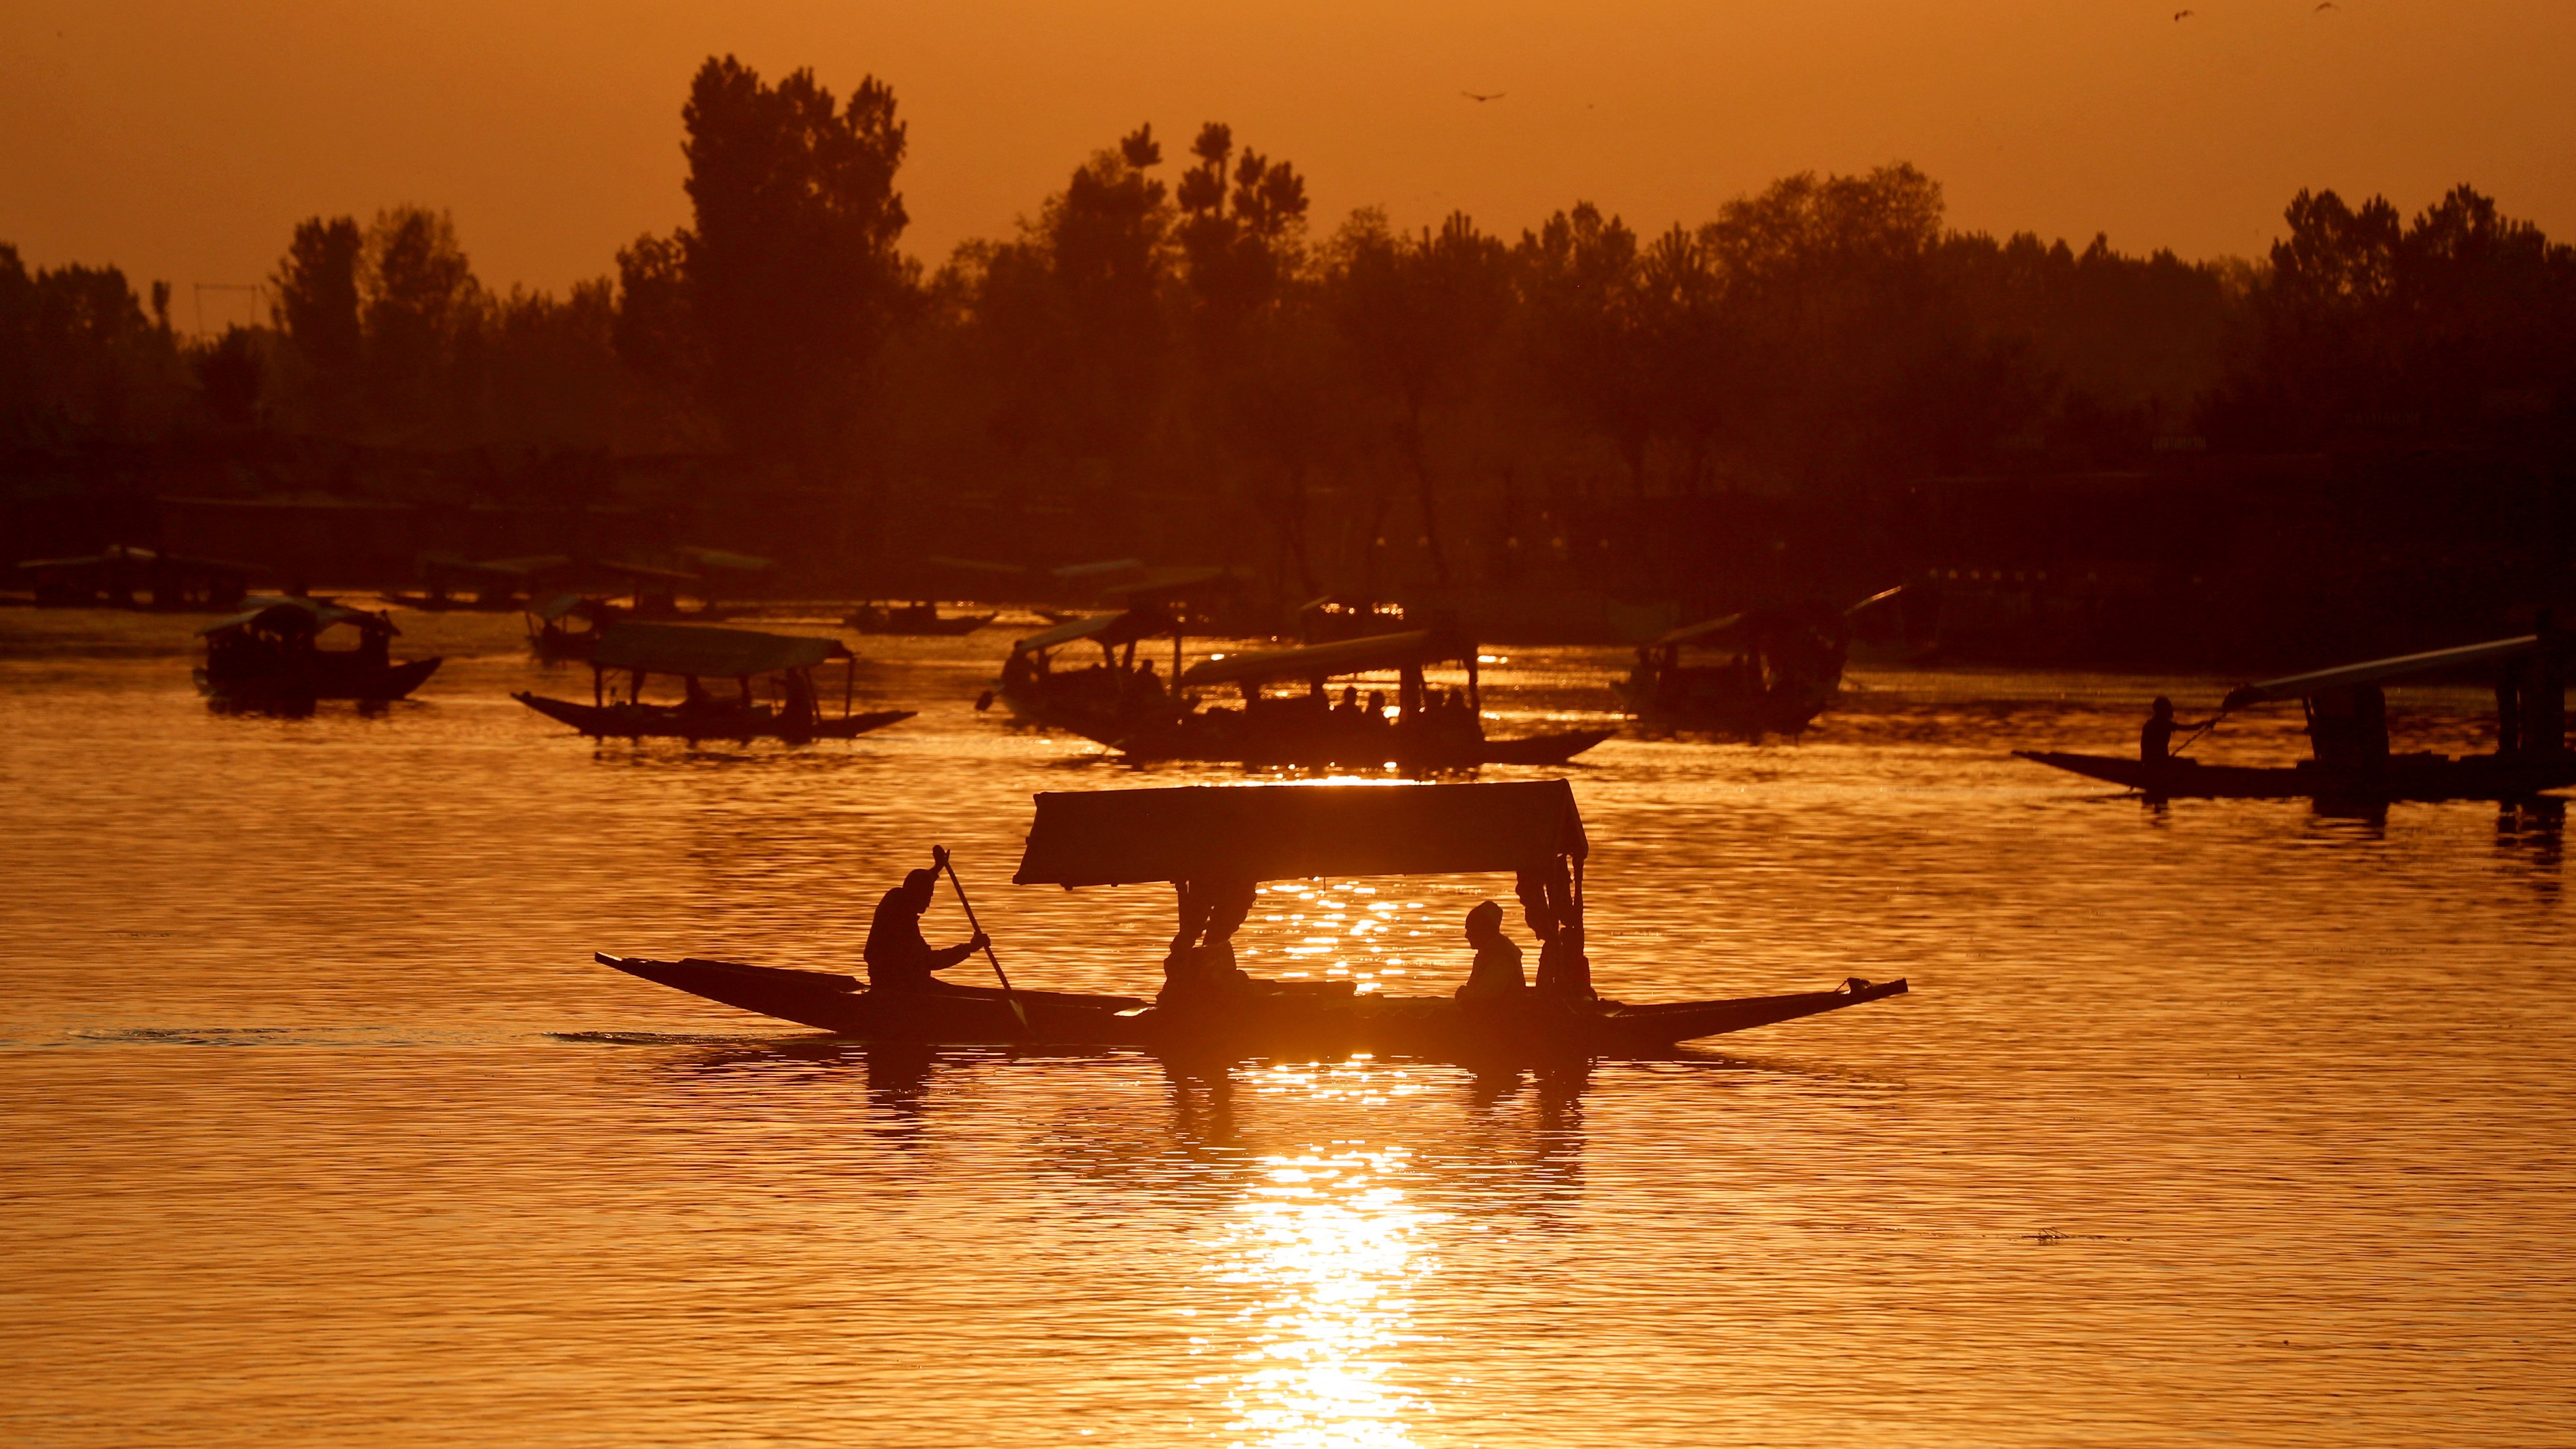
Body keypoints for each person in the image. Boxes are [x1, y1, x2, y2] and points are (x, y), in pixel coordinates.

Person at [863, 855, 989, 991]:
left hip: (901, 981)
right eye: (927, 897)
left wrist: (936, 870)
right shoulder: (902, 926)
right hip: (899, 987)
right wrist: (969, 948)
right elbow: (930, 961)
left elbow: (918, 883)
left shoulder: (895, 898)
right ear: (917, 894)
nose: (929, 903)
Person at [1453, 900, 1527, 1002]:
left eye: (1471, 929)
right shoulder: (1489, 952)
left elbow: (1485, 996)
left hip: (1502, 1016)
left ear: (1484, 929)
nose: (1467, 936)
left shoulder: (1502, 958)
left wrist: (1463, 992)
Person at [2140, 696, 2213, 765]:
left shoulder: (2150, 724)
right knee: (2192, 762)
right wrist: (2205, 723)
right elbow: (2190, 728)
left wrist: (2204, 723)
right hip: (2159, 762)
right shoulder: (2165, 724)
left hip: (2150, 761)